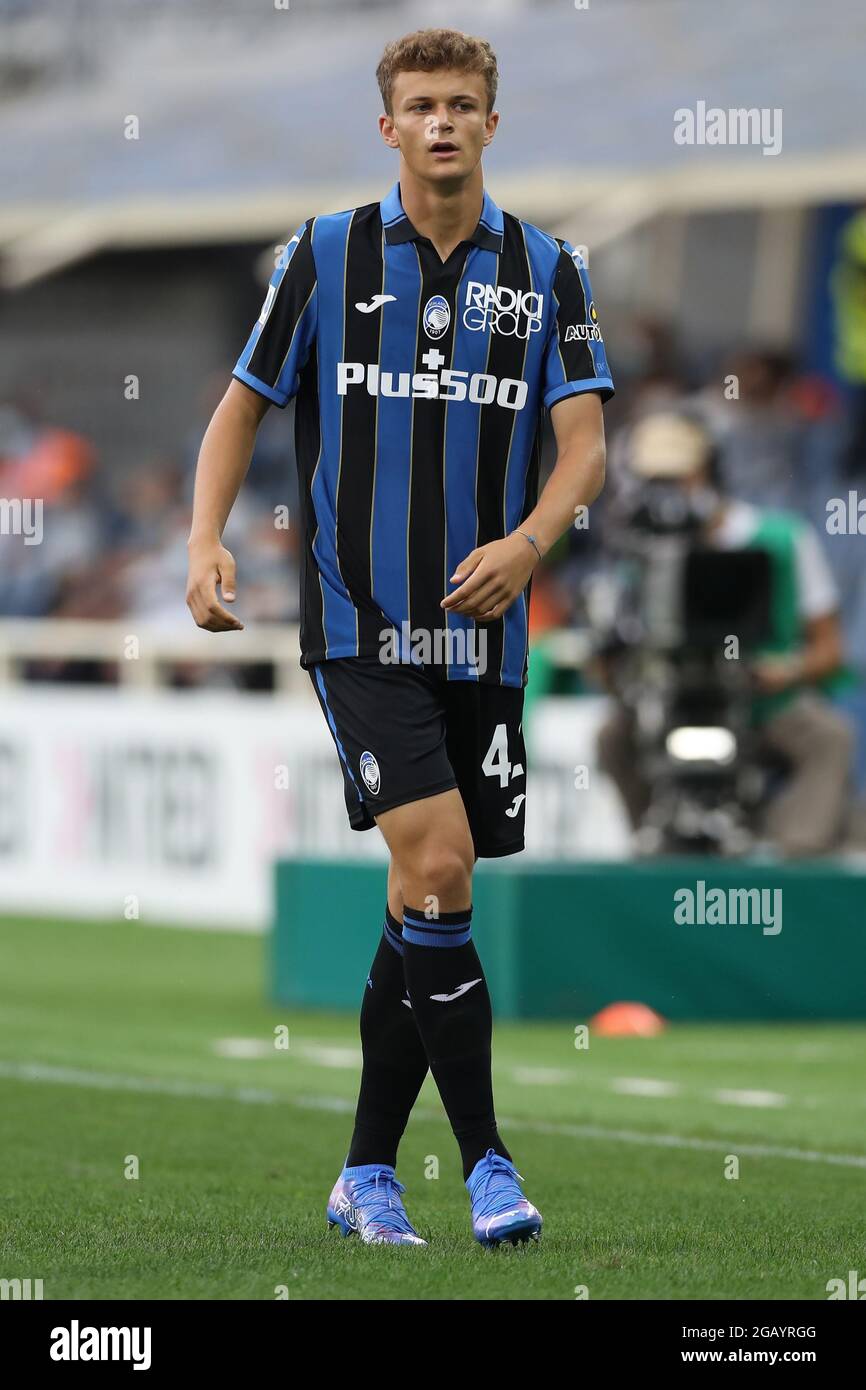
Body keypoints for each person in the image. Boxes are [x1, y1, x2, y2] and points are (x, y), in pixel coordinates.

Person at [186, 28, 613, 1248]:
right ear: (388, 127)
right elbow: (239, 406)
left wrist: (528, 541)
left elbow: (581, 444)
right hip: (358, 624)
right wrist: (203, 540)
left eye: (461, 104)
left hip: (486, 632)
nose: (440, 122)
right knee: (438, 866)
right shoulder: (323, 254)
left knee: (422, 897)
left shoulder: (548, 268)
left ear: (491, 121)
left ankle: (364, 1171)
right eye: (419, 105)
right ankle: (486, 1163)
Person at [597, 412, 853, 858]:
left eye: (680, 475)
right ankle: (654, 848)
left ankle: (796, 856)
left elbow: (831, 649)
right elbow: (613, 646)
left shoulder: (781, 538)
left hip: (761, 700)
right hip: (670, 698)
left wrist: (787, 670)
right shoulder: (639, 551)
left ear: (708, 469)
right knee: (611, 737)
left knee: (830, 736)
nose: (669, 490)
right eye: (654, 478)